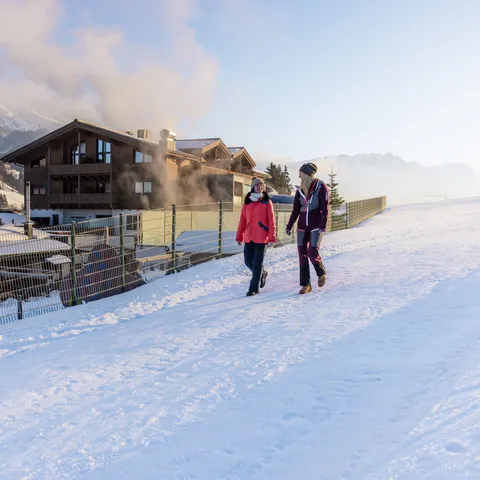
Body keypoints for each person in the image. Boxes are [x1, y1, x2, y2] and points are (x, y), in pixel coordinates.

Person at [286, 162, 329, 294]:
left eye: (301, 174)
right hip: (302, 227)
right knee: (302, 254)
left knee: (312, 252)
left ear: (307, 175)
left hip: (316, 226)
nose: (299, 176)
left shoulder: (321, 187)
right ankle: (306, 284)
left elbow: (325, 209)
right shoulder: (299, 190)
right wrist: (289, 225)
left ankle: (321, 272)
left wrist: (323, 225)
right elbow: (295, 210)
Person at [236, 178, 276, 296]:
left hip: (262, 237)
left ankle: (253, 288)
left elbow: (271, 221)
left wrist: (271, 237)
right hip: (249, 237)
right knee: (248, 261)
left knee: (257, 263)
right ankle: (262, 273)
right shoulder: (247, 202)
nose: (259, 187)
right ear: (252, 187)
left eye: (261, 185)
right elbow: (243, 220)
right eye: (257, 185)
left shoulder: (266, 202)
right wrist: (239, 236)